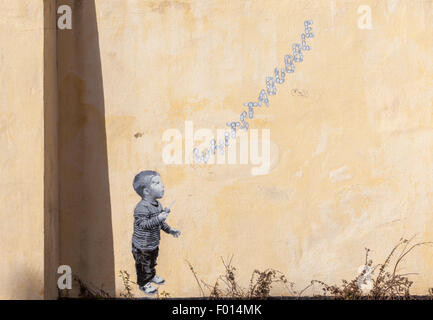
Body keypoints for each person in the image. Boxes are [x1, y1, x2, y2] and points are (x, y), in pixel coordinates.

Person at [131, 170, 181, 294]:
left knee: (152, 262)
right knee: (143, 266)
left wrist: (170, 230)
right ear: (147, 191)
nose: (162, 185)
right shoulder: (141, 207)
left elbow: (160, 223)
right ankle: (144, 283)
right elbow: (143, 225)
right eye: (157, 183)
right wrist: (158, 218)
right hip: (141, 245)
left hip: (153, 243)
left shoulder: (158, 205)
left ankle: (151, 276)